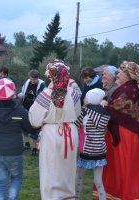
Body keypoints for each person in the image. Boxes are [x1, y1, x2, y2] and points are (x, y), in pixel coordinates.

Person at [29, 59, 81, 199]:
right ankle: (67, 195)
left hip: (52, 133)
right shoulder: (74, 94)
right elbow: (77, 113)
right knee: (68, 167)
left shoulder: (45, 94)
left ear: (50, 75)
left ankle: (52, 196)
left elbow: (34, 119)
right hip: (70, 132)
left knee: (51, 167)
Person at [93, 61, 139, 200]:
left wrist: (104, 107)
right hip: (124, 131)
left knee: (126, 165)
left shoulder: (129, 89)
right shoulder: (128, 88)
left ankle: (128, 195)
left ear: (128, 75)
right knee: (120, 165)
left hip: (127, 133)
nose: (118, 75)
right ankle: (117, 193)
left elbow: (119, 109)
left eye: (120, 73)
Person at [0, 78, 35, 200]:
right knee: (16, 178)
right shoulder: (19, 110)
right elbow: (28, 128)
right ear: (13, 93)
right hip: (14, 150)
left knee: (1, 183)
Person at [74, 88, 110, 200]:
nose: (84, 99)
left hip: (87, 150)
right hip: (100, 150)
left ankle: (76, 197)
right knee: (98, 180)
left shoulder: (85, 112)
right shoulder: (105, 113)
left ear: (89, 100)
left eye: (85, 97)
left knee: (79, 177)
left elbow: (76, 123)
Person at [17, 69, 46, 156]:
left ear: (38, 78)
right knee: (25, 127)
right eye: (31, 79)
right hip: (25, 107)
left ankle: (35, 148)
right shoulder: (27, 83)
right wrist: (17, 95)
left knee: (35, 129)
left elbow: (44, 96)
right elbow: (23, 93)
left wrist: (35, 97)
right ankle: (26, 144)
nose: (32, 81)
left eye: (34, 79)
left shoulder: (42, 85)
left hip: (36, 110)